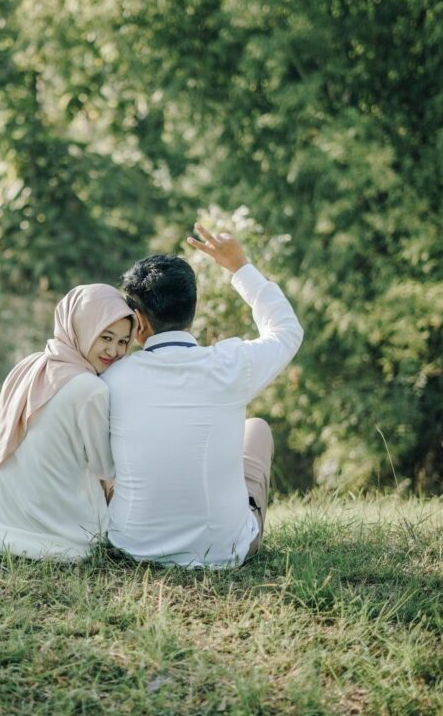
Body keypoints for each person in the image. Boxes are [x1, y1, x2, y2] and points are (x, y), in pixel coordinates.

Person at [103, 221, 303, 568]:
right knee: (256, 429)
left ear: (139, 321)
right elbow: (287, 331)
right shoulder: (230, 364)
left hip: (131, 547)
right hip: (224, 552)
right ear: (191, 309)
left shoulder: (112, 377)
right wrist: (240, 267)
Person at [0, 284, 134, 561]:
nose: (114, 351)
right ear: (82, 327)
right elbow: (104, 466)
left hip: (2, 498)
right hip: (61, 518)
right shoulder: (91, 389)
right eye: (106, 337)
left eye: (123, 342)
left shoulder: (31, 365)